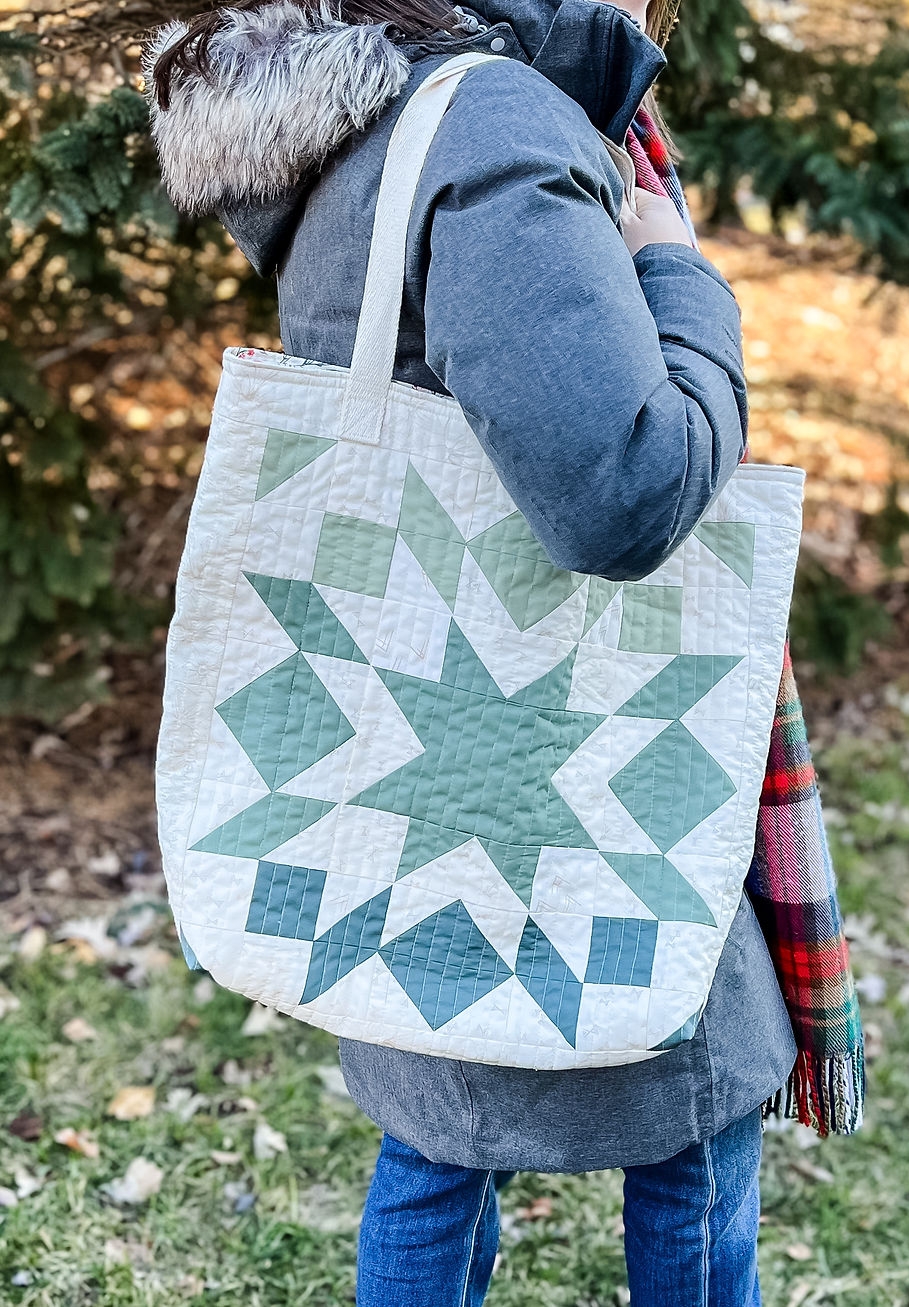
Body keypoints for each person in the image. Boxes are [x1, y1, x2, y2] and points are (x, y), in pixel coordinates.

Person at [146, 0, 861, 1301]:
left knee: (436, 1127)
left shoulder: (369, 104)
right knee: (699, 1107)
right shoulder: (501, 121)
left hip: (406, 743)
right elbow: (626, 491)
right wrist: (679, 272)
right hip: (577, 727)